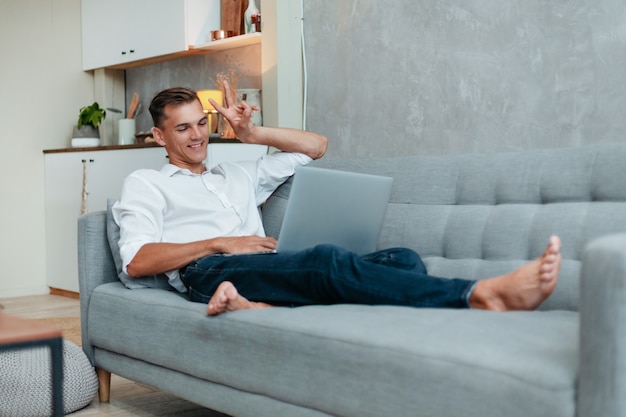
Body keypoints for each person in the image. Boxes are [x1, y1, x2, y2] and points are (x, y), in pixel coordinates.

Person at [113, 82, 562, 317]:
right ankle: (482, 295)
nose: (197, 136)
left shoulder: (237, 173)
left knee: (403, 259)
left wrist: (252, 133)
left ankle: (261, 307)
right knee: (327, 262)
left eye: (200, 123)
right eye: (182, 128)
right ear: (158, 135)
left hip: (262, 264)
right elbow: (136, 260)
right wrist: (219, 243)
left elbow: (315, 146)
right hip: (205, 272)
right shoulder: (147, 184)